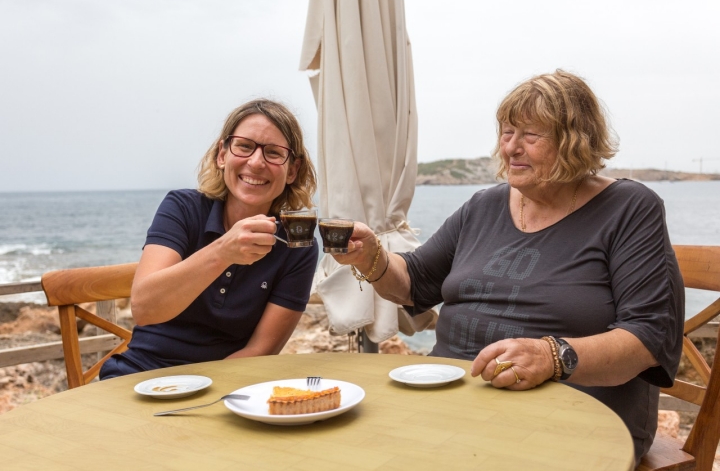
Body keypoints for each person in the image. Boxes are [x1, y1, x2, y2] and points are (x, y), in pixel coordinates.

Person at [333, 70, 684, 464]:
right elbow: (413, 283)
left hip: (575, 412)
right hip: (453, 399)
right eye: (506, 132)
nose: (511, 148)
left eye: (531, 136)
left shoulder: (630, 209)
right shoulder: (484, 205)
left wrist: (552, 357)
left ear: (576, 141)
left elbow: (648, 338)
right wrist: (371, 257)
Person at [100, 99, 318, 379]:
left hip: (223, 386)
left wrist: (202, 390)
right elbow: (144, 308)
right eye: (244, 146)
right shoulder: (182, 207)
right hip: (140, 376)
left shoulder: (296, 244)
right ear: (222, 155)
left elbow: (260, 350)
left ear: (292, 170)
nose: (256, 162)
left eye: (274, 153)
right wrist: (223, 251)